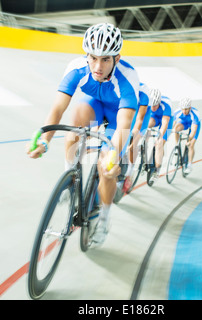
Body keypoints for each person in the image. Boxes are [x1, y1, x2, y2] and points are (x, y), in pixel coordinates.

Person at [27, 23, 140, 246]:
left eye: (105, 59)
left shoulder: (128, 78)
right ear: (86, 54)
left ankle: (105, 217)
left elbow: (124, 123)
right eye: (93, 57)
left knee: (106, 170)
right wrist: (44, 140)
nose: (98, 66)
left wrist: (113, 156)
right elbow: (57, 109)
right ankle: (70, 176)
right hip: (94, 107)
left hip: (117, 116)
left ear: (116, 59)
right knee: (76, 118)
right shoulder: (76, 69)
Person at [146, 89, 173, 182]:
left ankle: (157, 171)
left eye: (155, 105)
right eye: (152, 105)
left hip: (166, 120)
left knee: (160, 144)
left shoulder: (166, 105)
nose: (153, 108)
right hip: (154, 117)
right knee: (147, 127)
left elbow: (165, 123)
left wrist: (160, 136)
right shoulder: (147, 102)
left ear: (159, 102)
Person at [172, 97, 201, 174]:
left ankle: (189, 165)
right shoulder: (177, 112)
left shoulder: (195, 114)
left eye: (186, 109)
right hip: (184, 122)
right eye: (183, 109)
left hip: (194, 125)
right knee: (176, 128)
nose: (184, 111)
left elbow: (193, 130)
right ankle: (176, 145)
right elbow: (172, 124)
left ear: (190, 108)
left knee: (191, 145)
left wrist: (189, 140)